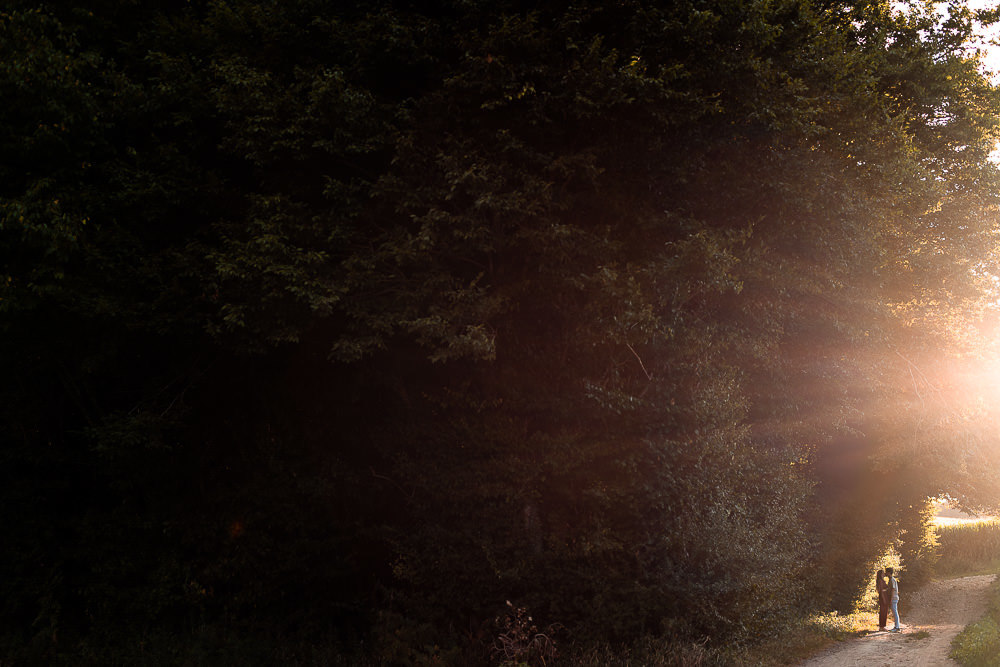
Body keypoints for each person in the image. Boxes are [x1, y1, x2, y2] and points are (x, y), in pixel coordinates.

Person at [887, 567, 901, 632]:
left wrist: (891, 599)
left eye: (886, 572)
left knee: (895, 612)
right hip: (894, 598)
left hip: (894, 598)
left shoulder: (892, 580)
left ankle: (897, 627)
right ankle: (896, 626)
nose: (885, 573)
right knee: (894, 612)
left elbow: (893, 590)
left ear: (889, 572)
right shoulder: (891, 579)